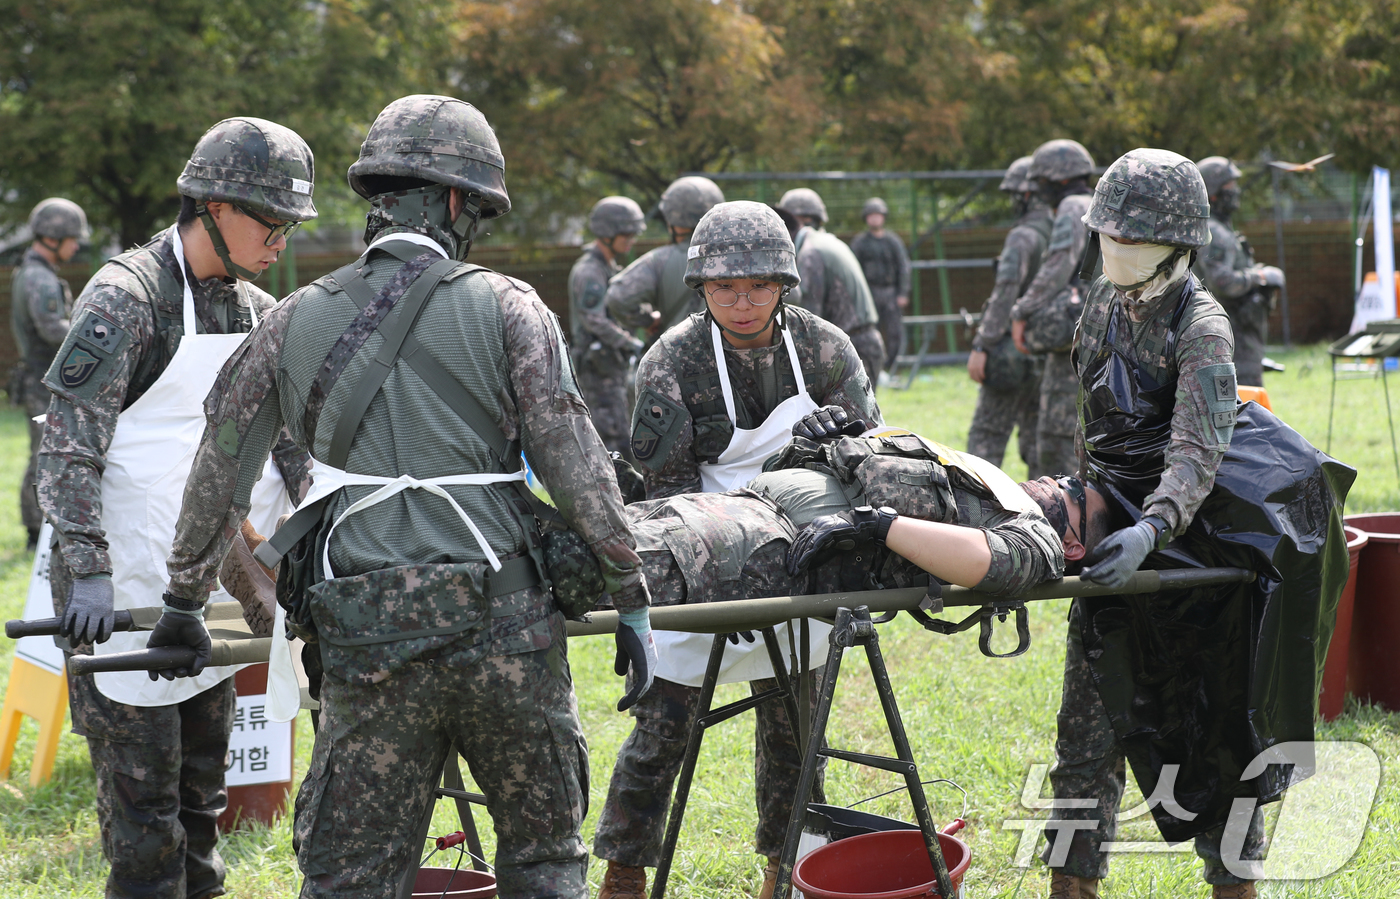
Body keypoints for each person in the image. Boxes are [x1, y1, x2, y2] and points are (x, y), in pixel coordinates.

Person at [149, 95, 654, 899]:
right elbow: (577, 466)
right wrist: (630, 595)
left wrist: (181, 600)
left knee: (350, 876)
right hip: (506, 628)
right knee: (544, 863)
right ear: (456, 202)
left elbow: (218, 471)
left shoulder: (287, 321)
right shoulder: (511, 305)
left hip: (366, 634)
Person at [38, 117, 318, 899]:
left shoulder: (258, 311)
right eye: (270, 222)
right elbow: (67, 446)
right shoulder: (125, 299)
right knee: (144, 813)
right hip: (120, 584)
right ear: (214, 206)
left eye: (289, 227)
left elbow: (293, 444)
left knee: (203, 796)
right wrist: (88, 571)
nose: (280, 240)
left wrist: (325, 520)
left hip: (206, 588)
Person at [603, 201, 880, 899]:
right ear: (701, 288)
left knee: (797, 727)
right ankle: (624, 869)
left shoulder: (823, 349)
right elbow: (663, 497)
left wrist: (832, 447)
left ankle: (786, 869)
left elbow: (871, 458)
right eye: (725, 288)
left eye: (759, 285)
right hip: (700, 549)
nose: (744, 302)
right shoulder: (671, 359)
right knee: (662, 720)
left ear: (785, 282)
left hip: (805, 549)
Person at [1044, 148, 1259, 899]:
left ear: (1179, 246)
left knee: (1209, 753)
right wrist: (1091, 513)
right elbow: (1091, 424)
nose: (1117, 253)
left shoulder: (1203, 328)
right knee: (1083, 746)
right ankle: (1071, 884)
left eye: (1134, 243)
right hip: (1111, 548)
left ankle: (1234, 885)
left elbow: (1198, 450)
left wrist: (1154, 525)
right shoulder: (1101, 302)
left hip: (1186, 560)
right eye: (1109, 237)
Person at [1010, 139, 1096, 478]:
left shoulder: (1073, 208)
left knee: (1055, 439)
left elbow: (1057, 265)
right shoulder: (1094, 203)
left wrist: (1022, 310)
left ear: (1056, 179)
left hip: (1075, 341)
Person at [966, 157, 1052, 474]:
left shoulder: (1023, 236)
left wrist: (982, 345)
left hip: (1009, 353)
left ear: (1027, 194)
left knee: (986, 439)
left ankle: (979, 512)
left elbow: (1005, 293)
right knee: (1038, 442)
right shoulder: (1065, 232)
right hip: (1048, 353)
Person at [11, 197, 86, 549]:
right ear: (53, 237)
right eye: (72, 238)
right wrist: (88, 330)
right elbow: (52, 329)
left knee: (41, 455)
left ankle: (37, 528)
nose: (76, 245)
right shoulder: (39, 277)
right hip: (43, 380)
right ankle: (34, 532)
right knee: (43, 457)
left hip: (39, 377)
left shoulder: (31, 272)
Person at [1192, 156, 1284, 387]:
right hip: (1233, 337)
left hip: (1238, 335)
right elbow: (1221, 282)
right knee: (1246, 404)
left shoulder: (1218, 229)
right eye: (1229, 187)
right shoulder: (1213, 231)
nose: (1236, 191)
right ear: (1212, 192)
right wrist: (1260, 277)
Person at [778, 188, 886, 383]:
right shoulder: (829, 243)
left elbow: (808, 322)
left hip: (850, 349)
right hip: (862, 342)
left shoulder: (811, 252)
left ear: (798, 219)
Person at [607, 175, 725, 353]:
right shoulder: (738, 256)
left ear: (672, 221)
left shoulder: (659, 260)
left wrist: (648, 321)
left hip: (679, 361)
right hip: (730, 361)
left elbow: (617, 297)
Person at [571, 196, 647, 457]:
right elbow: (593, 318)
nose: (631, 240)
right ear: (607, 234)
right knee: (612, 441)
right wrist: (631, 343)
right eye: (627, 234)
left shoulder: (607, 268)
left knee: (620, 434)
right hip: (597, 369)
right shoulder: (590, 271)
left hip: (608, 365)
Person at [849, 197, 911, 373]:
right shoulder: (860, 243)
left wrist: (903, 293)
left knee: (895, 334)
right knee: (869, 334)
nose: (875, 219)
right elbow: (853, 270)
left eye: (878, 215)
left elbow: (903, 267)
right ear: (866, 218)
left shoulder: (893, 241)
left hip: (890, 293)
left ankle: (891, 368)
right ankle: (873, 369)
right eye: (871, 215)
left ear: (884, 217)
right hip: (869, 294)